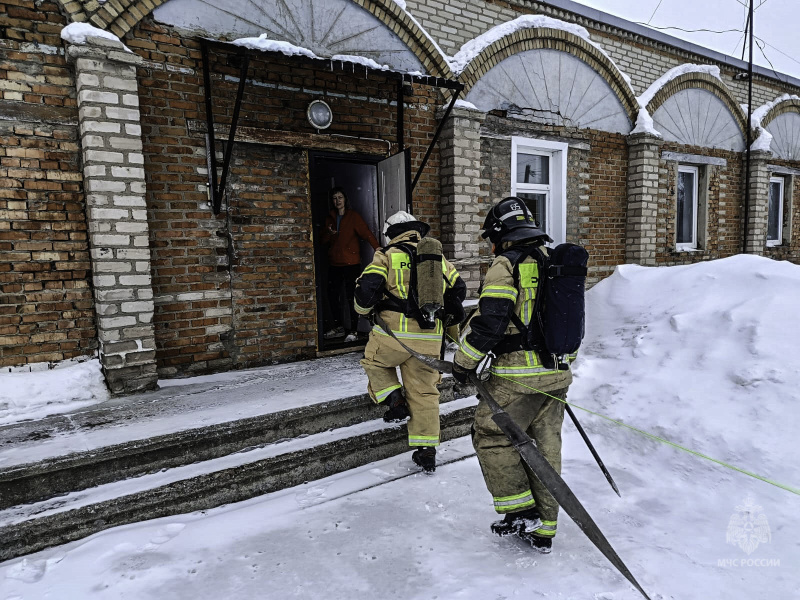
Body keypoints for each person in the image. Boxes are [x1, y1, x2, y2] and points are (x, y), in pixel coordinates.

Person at [451, 197, 575, 553]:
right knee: (546, 448)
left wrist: (464, 362)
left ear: (502, 235)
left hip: (516, 377)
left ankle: (520, 511)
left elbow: (492, 320)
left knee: (491, 435)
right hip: (556, 374)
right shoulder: (554, 263)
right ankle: (545, 529)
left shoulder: (506, 265)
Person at [354, 211, 466, 472]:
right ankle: (426, 452)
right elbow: (458, 290)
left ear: (392, 233)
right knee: (425, 392)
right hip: (428, 340)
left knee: (374, 363)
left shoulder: (387, 255)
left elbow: (368, 288)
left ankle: (394, 400)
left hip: (392, 338)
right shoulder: (436, 258)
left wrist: (362, 311)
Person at [321, 187, 380, 342]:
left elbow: (366, 233)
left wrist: (378, 248)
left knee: (351, 297)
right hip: (335, 263)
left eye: (340, 197)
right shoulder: (330, 218)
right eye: (334, 198)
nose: (337, 201)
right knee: (333, 296)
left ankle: (354, 330)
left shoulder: (353, 216)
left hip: (351, 263)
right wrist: (328, 233)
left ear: (345, 199)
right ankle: (339, 327)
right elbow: (322, 241)